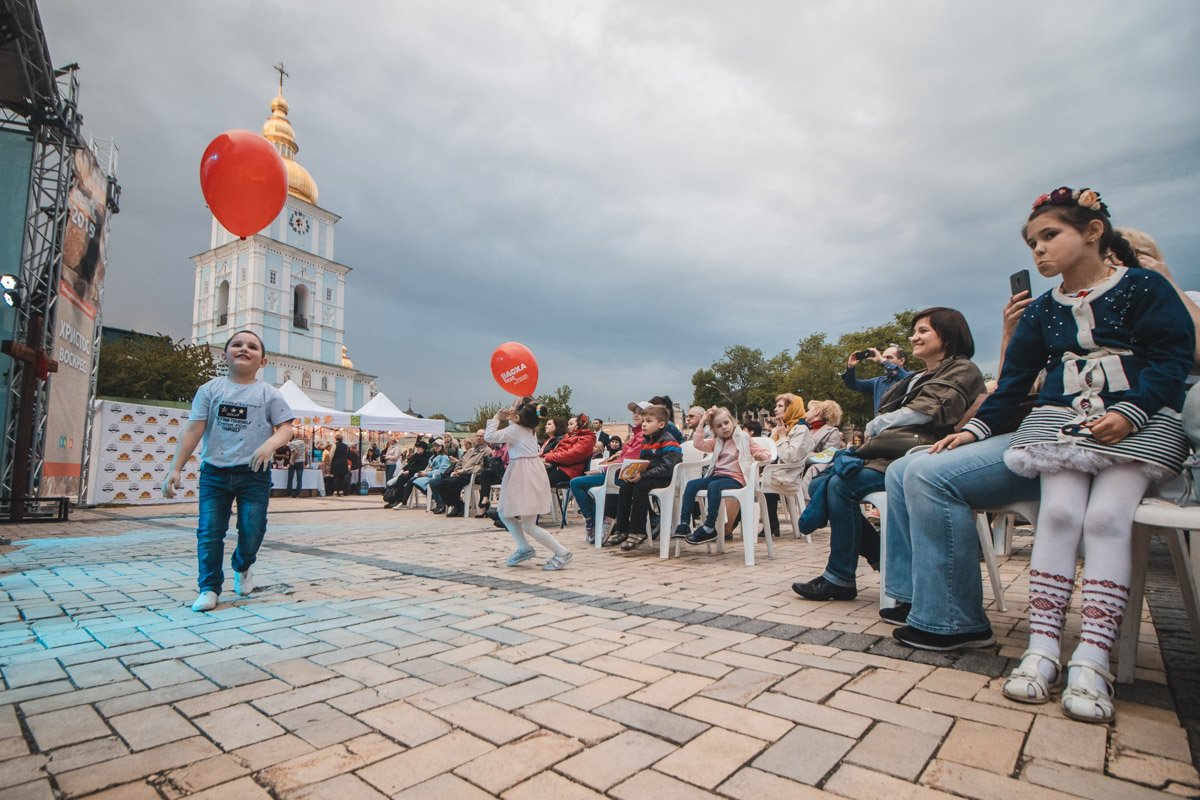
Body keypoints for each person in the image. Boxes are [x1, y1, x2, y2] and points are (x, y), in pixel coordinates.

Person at [933, 187, 1193, 724]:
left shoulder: (1145, 287)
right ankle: (1043, 647)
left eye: (1050, 236)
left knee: (1106, 518)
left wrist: (1134, 411)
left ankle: (1093, 657)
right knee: (1057, 515)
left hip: (1138, 420)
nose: (1039, 250)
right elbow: (1014, 380)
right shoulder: (1044, 310)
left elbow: (1172, 358)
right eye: (1033, 242)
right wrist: (975, 430)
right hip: (1060, 422)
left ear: (1093, 232)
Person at [792, 307, 986, 602]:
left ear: (947, 335)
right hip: (890, 454)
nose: (914, 337)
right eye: (914, 331)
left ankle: (840, 577)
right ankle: (876, 556)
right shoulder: (919, 376)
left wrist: (877, 423)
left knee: (839, 485)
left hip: (924, 456)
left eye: (923, 331)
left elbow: (926, 412)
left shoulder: (962, 369)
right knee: (820, 484)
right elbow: (870, 392)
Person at [163, 330, 294, 613]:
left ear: (263, 361)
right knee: (210, 531)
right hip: (215, 474)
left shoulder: (269, 394)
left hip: (254, 474)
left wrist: (269, 445)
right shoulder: (210, 390)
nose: (244, 349)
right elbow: (193, 429)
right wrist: (175, 468)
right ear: (225, 356)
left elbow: (286, 428)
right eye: (237, 344)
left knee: (252, 529)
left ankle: (242, 566)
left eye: (252, 346)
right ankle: (209, 588)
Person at [486, 397, 573, 570]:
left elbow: (489, 436)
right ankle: (524, 547)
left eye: (514, 406)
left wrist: (496, 417)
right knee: (507, 513)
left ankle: (561, 552)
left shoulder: (515, 430)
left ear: (518, 416)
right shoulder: (528, 429)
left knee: (524, 523)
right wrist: (512, 416)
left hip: (523, 474)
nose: (510, 408)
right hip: (529, 472)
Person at [675, 406, 772, 545]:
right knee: (691, 485)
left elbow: (766, 453)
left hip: (736, 478)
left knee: (714, 486)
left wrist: (760, 456)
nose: (724, 427)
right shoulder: (717, 441)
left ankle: (709, 527)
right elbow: (698, 444)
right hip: (717, 476)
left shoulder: (744, 438)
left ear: (732, 422)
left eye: (726, 423)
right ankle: (684, 523)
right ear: (714, 430)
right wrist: (702, 421)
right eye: (719, 426)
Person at [762, 395, 844, 535]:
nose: (805, 412)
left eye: (809, 410)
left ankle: (807, 515)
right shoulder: (793, 427)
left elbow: (829, 455)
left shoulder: (828, 431)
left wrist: (804, 455)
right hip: (793, 464)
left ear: (817, 411)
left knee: (771, 476)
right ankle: (772, 522)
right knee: (766, 476)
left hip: (813, 466)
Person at [606, 404, 682, 551]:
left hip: (666, 478)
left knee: (640, 487)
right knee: (625, 487)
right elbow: (644, 463)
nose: (644, 424)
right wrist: (633, 472)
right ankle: (622, 529)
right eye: (644, 421)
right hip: (651, 477)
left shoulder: (668, 440)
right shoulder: (646, 441)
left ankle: (638, 532)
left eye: (649, 421)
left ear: (661, 424)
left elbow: (667, 467)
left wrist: (643, 475)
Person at [570, 408, 644, 543]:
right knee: (579, 483)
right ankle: (595, 518)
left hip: (620, 476)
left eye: (641, 413)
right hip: (616, 473)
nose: (636, 415)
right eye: (634, 413)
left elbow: (628, 460)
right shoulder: (634, 435)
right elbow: (623, 458)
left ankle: (593, 519)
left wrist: (603, 469)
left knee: (576, 483)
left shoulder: (641, 436)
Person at [431, 430, 491, 517]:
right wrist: (457, 468)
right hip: (461, 474)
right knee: (438, 484)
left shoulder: (487, 451)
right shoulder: (471, 450)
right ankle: (459, 505)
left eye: (481, 436)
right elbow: (461, 461)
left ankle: (458, 506)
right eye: (477, 436)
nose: (478, 438)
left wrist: (463, 471)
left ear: (486, 438)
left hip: (472, 476)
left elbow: (481, 467)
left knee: (451, 483)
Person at [843, 344, 911, 414]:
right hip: (880, 420)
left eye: (889, 357)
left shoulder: (912, 377)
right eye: (883, 357)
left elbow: (903, 376)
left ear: (901, 360)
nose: (885, 360)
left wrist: (882, 361)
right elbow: (852, 384)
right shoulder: (878, 382)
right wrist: (850, 367)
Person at [544, 414, 597, 485]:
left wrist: (547, 457)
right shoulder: (569, 436)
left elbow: (570, 455)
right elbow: (558, 451)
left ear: (579, 425)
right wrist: (545, 457)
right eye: (568, 424)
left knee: (538, 479)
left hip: (569, 471)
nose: (568, 427)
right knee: (534, 474)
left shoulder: (587, 439)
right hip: (560, 467)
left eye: (571, 424)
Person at [386, 440, 430, 507]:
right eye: (417, 447)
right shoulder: (416, 455)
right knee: (399, 479)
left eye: (419, 447)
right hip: (410, 473)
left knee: (401, 479)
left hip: (417, 474)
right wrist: (403, 469)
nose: (417, 449)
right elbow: (409, 464)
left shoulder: (427, 456)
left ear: (423, 448)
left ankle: (399, 500)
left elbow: (422, 467)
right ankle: (394, 499)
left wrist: (409, 471)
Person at [412, 440, 452, 511]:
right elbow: (429, 467)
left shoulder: (444, 457)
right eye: (435, 445)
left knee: (428, 482)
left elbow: (442, 470)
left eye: (438, 445)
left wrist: (427, 473)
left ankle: (440, 503)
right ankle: (435, 499)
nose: (436, 447)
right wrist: (424, 472)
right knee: (414, 480)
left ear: (442, 446)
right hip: (431, 474)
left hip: (438, 476)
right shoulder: (432, 456)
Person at [285, 433, 308, 497]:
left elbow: (296, 452)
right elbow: (306, 452)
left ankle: (289, 493)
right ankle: (297, 493)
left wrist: (292, 461)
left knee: (290, 478)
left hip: (294, 462)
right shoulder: (302, 442)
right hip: (301, 462)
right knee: (299, 479)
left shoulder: (290, 443)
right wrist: (305, 461)